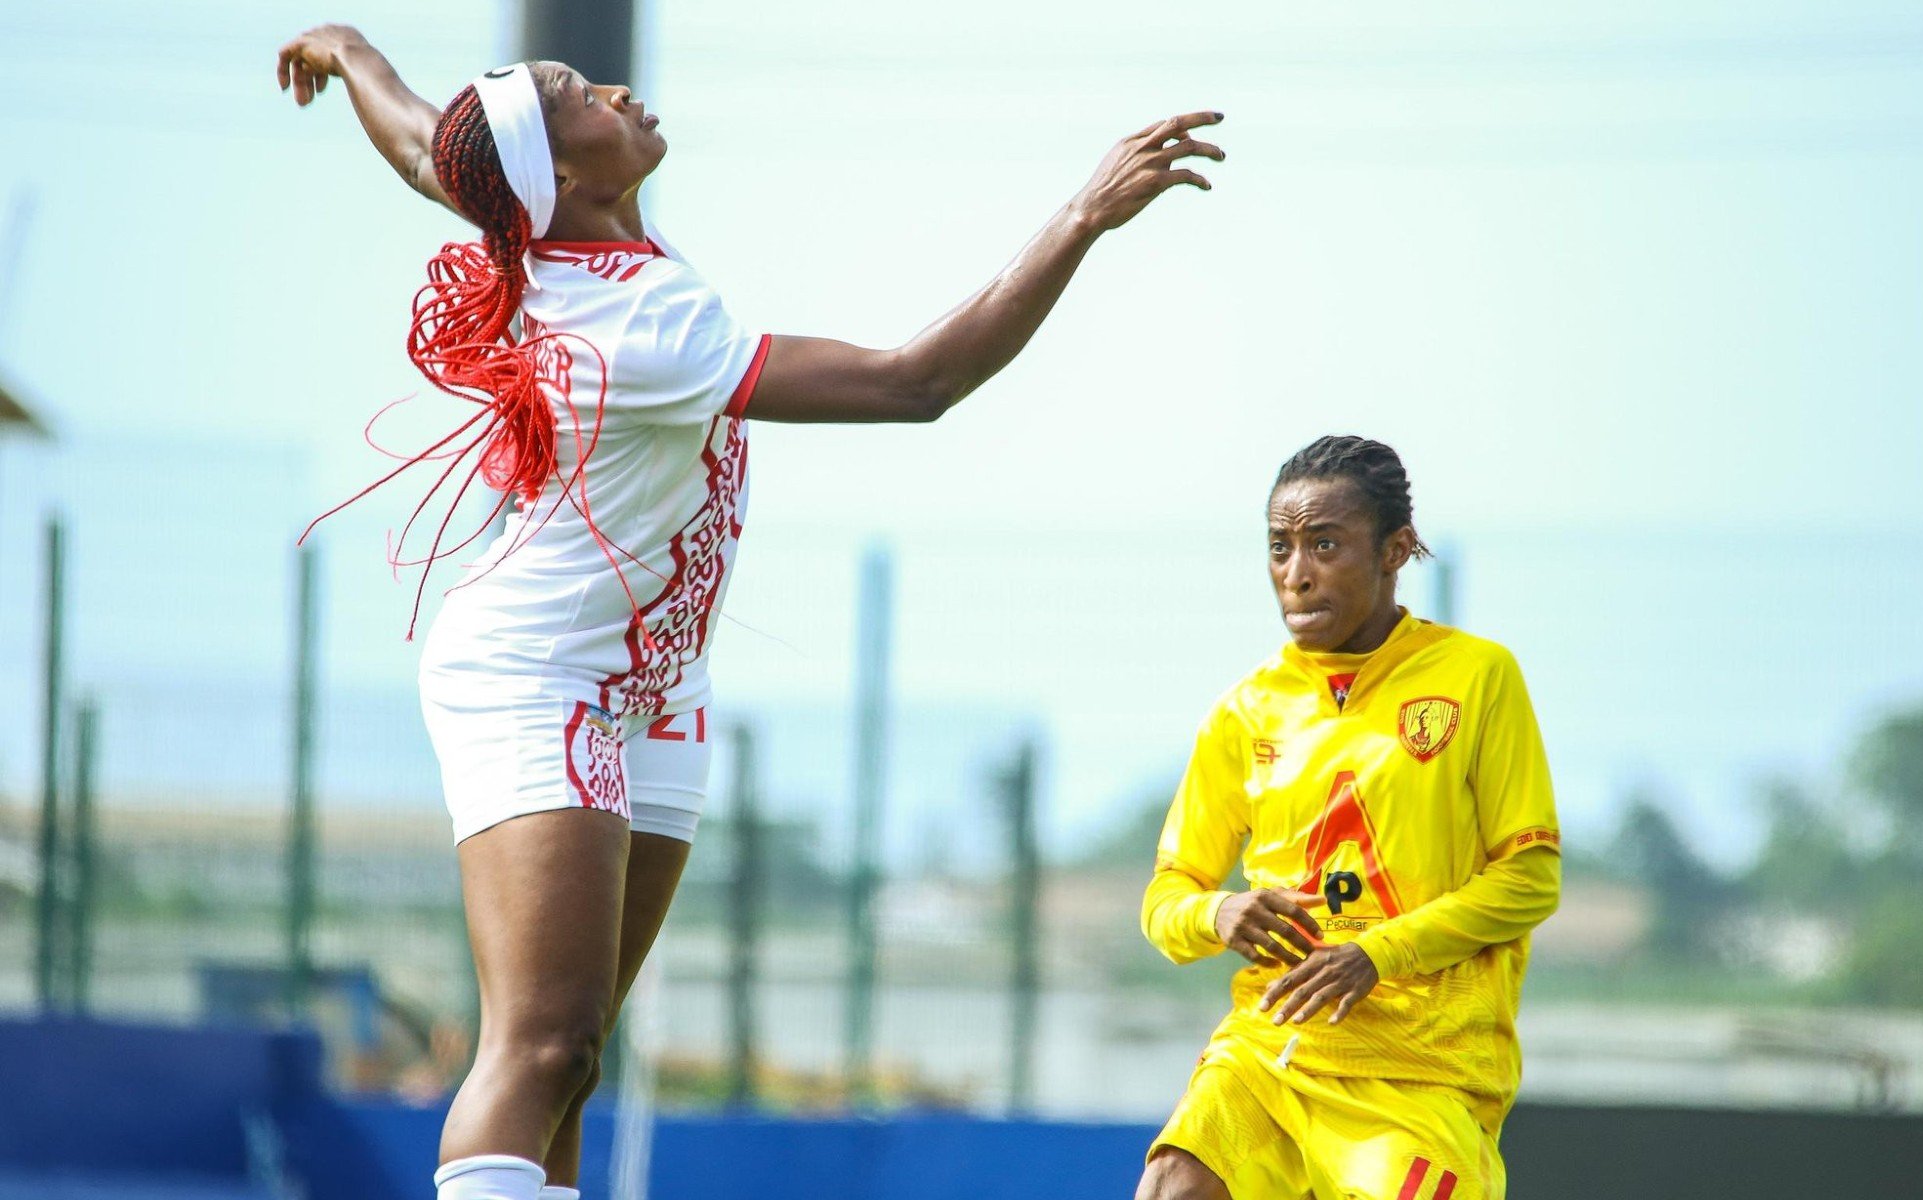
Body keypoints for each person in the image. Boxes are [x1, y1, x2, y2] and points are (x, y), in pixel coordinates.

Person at [274, 24, 1224, 1200]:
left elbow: (432, 147)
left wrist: (351, 51)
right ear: (559, 175)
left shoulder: (553, 226)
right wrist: (1081, 215)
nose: (613, 89)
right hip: (535, 673)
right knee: (540, 1040)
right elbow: (913, 383)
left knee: (576, 1055)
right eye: (579, 96)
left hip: (652, 685)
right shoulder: (635, 323)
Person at [1137, 436, 1561, 1200]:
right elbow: (1166, 899)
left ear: (1396, 550)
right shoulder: (1246, 711)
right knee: (1173, 1183)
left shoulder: (1477, 676)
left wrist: (1378, 954)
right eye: (1280, 548)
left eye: (1324, 544)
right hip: (1274, 1051)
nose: (1296, 575)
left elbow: (1530, 881)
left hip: (1420, 1067)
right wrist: (1218, 910)